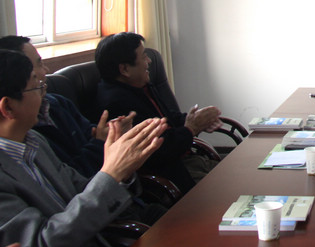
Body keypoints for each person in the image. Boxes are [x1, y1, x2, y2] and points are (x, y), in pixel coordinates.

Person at [0, 49, 167, 247]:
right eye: (36, 87)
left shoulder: (34, 141)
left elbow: (80, 188)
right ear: (8, 107)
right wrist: (110, 174)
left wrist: (123, 170)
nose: (44, 95)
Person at [94, 33, 221, 193]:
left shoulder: (140, 85)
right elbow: (157, 150)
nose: (149, 61)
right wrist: (191, 128)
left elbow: (168, 119)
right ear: (125, 69)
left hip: (187, 160)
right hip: (172, 175)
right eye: (143, 56)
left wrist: (196, 119)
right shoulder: (116, 105)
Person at [0, 35, 135, 177]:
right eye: (38, 65)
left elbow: (90, 132)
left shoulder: (57, 103)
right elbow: (73, 179)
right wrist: (100, 142)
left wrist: (110, 131)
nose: (46, 70)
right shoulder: (24, 133)